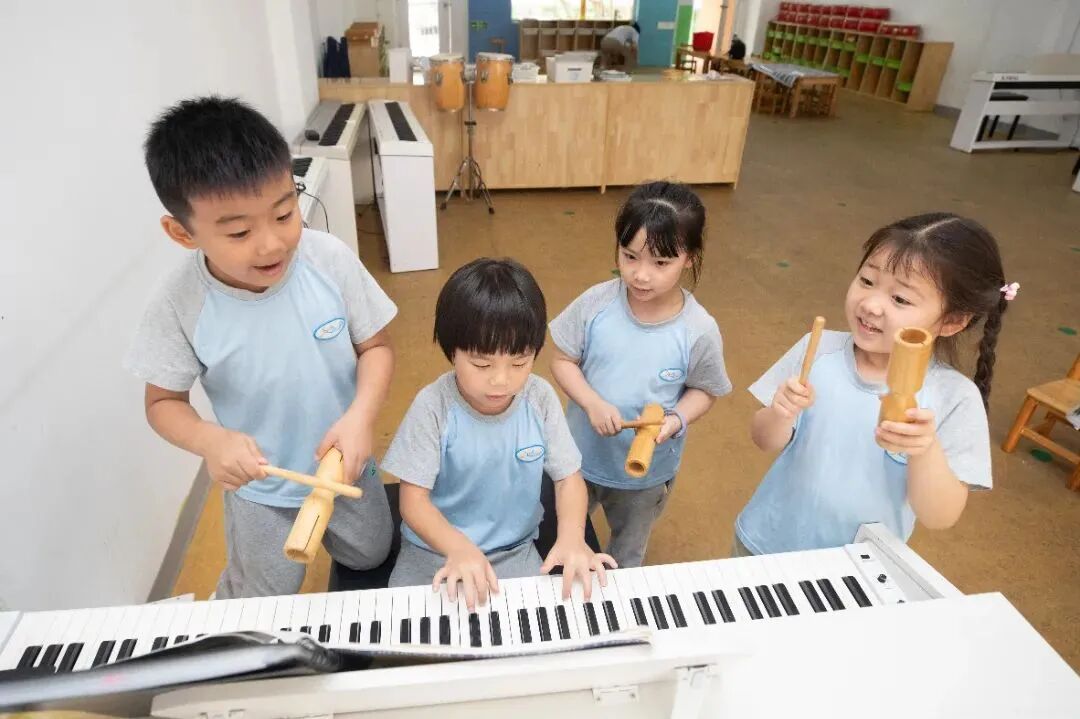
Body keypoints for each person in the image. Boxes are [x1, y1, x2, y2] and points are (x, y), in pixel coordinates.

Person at [126, 96, 396, 598]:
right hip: (261, 484)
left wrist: (361, 417)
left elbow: (376, 348)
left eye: (284, 213)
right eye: (240, 231)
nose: (272, 244)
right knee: (264, 596)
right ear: (182, 232)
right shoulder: (180, 301)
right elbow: (162, 403)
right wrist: (210, 441)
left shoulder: (328, 260)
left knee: (372, 555)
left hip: (344, 460)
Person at [734, 213, 1014, 556]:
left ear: (952, 321)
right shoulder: (818, 350)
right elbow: (763, 440)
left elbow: (939, 516)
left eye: (900, 299)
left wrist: (924, 449)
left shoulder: (954, 397)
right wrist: (780, 413)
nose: (870, 304)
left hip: (855, 569)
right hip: (765, 541)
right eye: (867, 280)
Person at [383, 258, 615, 609]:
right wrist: (459, 548)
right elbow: (413, 501)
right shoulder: (433, 405)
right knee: (408, 628)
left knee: (537, 630)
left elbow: (568, 478)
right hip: (434, 549)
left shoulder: (539, 398)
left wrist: (571, 536)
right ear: (451, 351)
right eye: (482, 364)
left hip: (513, 550)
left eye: (519, 363)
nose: (501, 380)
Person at [550, 181, 732, 568]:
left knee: (626, 554)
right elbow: (562, 360)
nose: (641, 275)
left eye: (660, 263)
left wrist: (676, 419)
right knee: (559, 536)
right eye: (630, 256)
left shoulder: (698, 329)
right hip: (578, 458)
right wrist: (591, 403)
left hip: (644, 475)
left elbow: (705, 390)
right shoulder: (596, 303)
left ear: (690, 258)